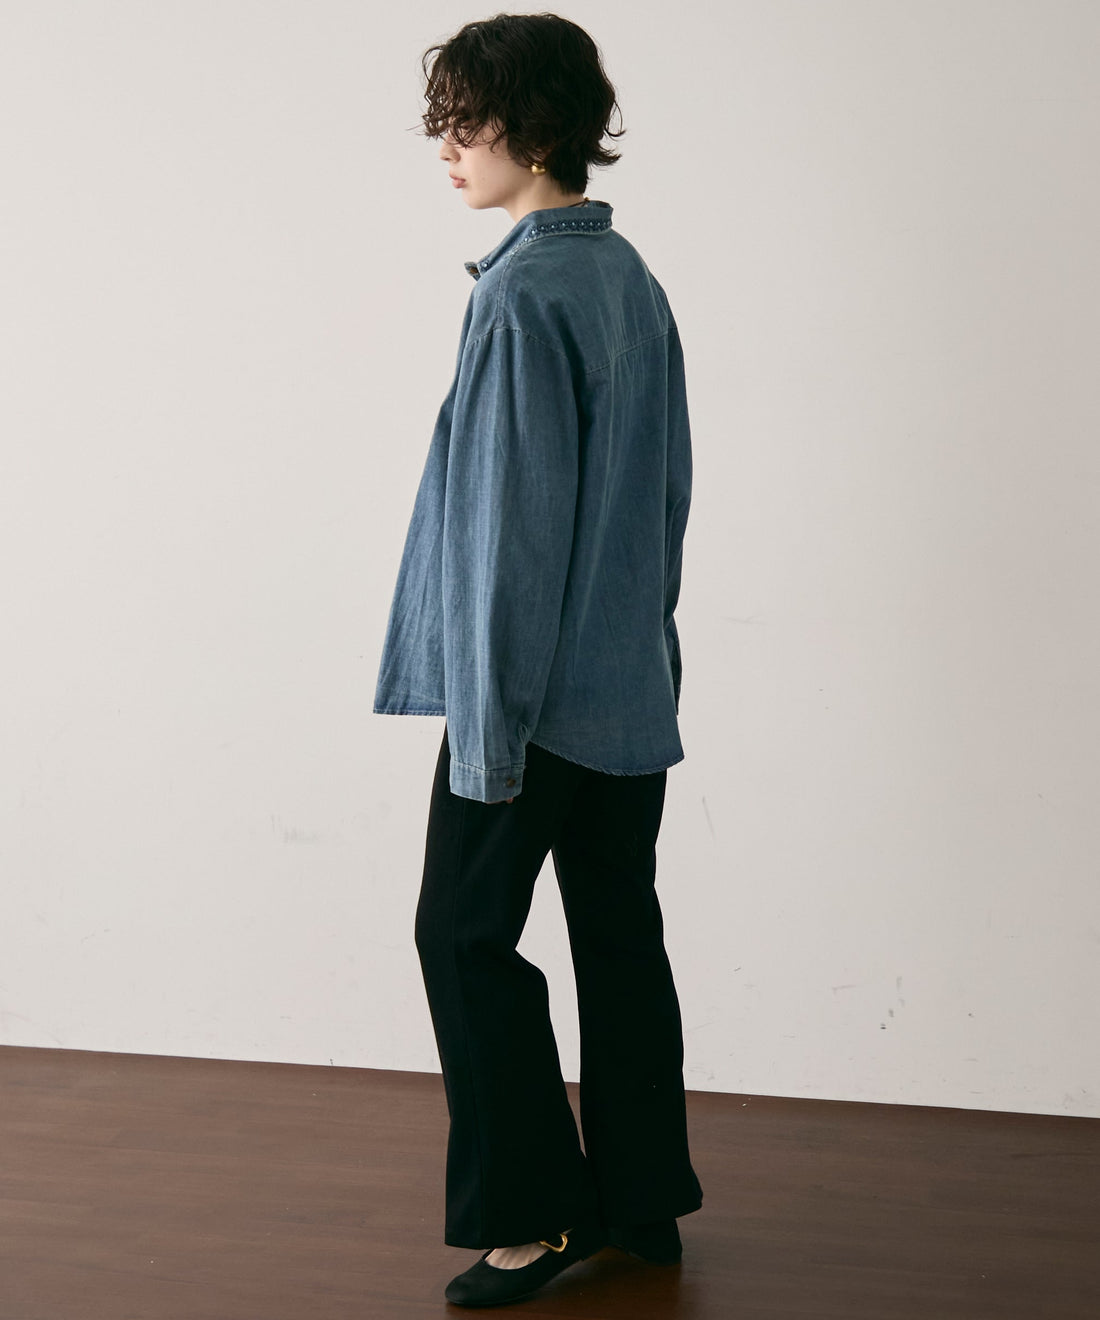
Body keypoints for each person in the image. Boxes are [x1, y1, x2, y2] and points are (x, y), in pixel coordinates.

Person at [373, 12, 703, 1308]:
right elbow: (666, 502)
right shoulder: (628, 279)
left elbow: (510, 539)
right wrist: (650, 652)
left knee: (462, 936)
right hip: (628, 684)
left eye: (469, 122)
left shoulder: (522, 297)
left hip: (532, 699)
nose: (447, 147)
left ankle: (534, 1217)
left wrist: (493, 727)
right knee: (618, 933)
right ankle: (642, 1200)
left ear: (538, 128)